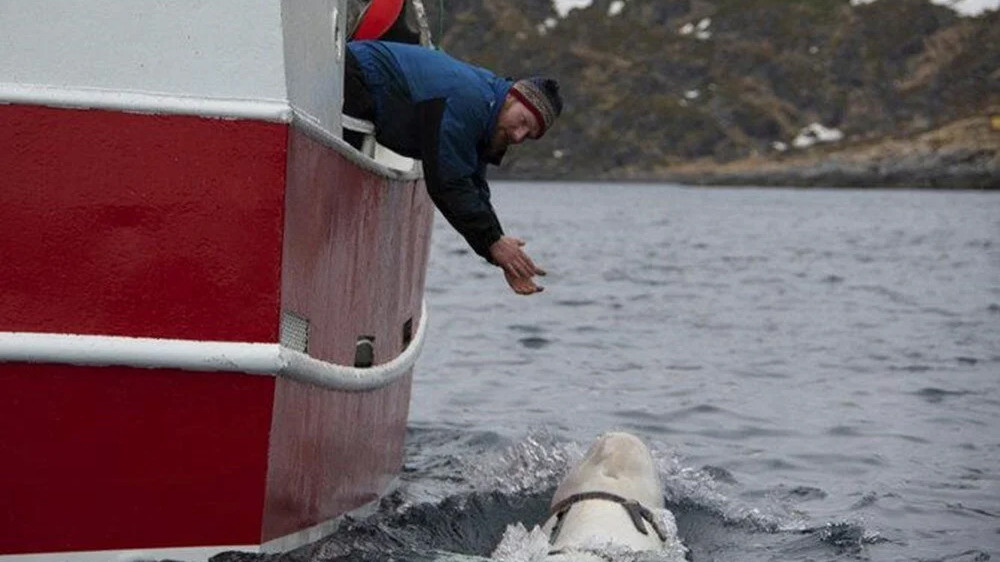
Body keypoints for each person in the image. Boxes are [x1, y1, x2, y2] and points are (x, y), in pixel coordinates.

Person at [343, 40, 563, 296]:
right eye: (523, 121)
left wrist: (498, 247)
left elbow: (472, 185)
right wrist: (493, 243)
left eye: (528, 135)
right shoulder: (468, 100)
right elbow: (447, 182)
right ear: (512, 97)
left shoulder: (488, 111)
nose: (518, 135)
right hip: (356, 74)